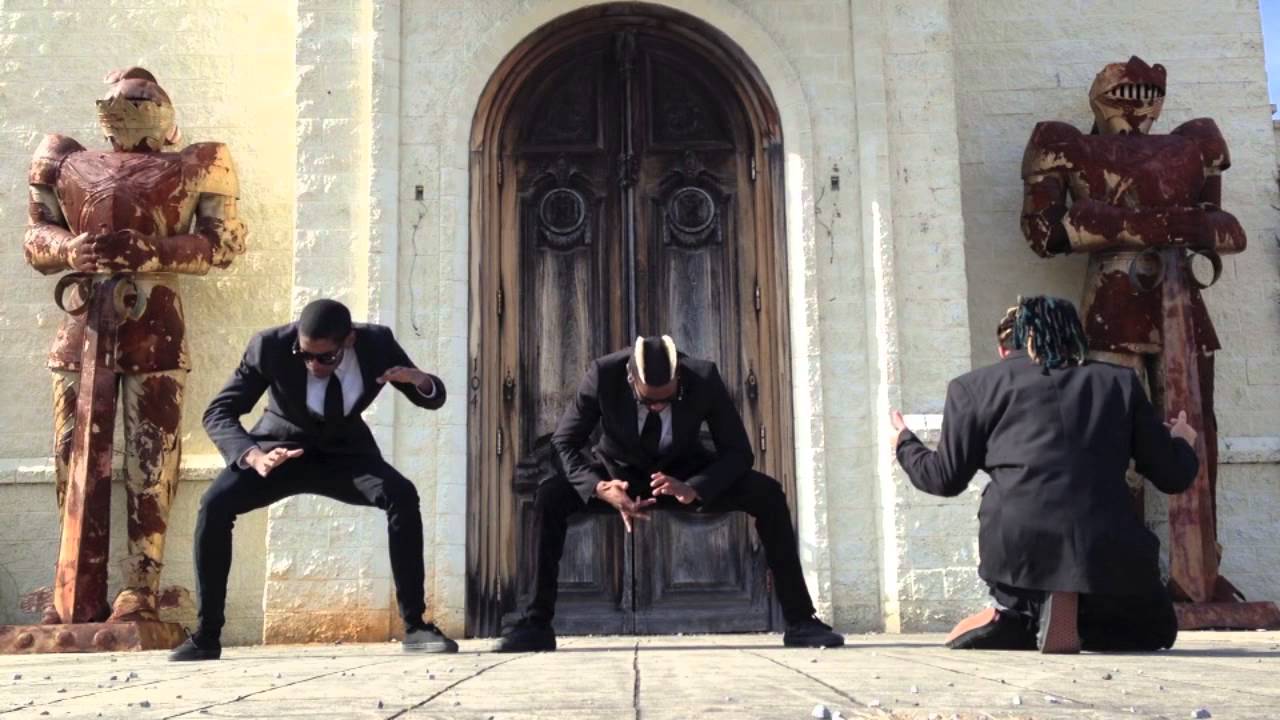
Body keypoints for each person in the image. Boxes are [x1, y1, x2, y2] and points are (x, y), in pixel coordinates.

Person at [23, 67, 246, 623]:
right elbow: (36, 235)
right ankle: (73, 584)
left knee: (151, 455)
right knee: (71, 451)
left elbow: (223, 244)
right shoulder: (64, 158)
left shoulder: (198, 161)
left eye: (143, 95)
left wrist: (157, 252)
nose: (130, 100)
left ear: (166, 114)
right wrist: (70, 249)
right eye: (121, 95)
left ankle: (141, 585)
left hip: (154, 321)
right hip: (82, 320)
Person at [495, 335, 844, 652]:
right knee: (549, 496)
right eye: (648, 401)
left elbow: (739, 452)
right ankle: (535, 625)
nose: (658, 408)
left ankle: (801, 621)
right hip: (618, 477)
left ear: (680, 378)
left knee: (768, 493)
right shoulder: (603, 374)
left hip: (684, 476)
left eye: (668, 400)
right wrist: (600, 488)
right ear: (630, 379)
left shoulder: (704, 376)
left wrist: (696, 488)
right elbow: (564, 443)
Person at [890, 296, 1199, 653]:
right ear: (1074, 337)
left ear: (1005, 349)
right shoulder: (1119, 383)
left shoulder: (972, 387)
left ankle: (1020, 619)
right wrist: (1182, 441)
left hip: (1018, 550)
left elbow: (943, 479)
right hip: (1105, 548)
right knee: (1155, 631)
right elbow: (1172, 476)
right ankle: (1059, 616)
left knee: (1033, 596)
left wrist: (905, 443)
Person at [169, 299, 456, 660]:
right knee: (214, 505)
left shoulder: (377, 344)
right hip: (280, 453)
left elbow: (431, 397)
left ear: (348, 340)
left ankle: (415, 627)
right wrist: (254, 456)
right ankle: (206, 635)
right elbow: (219, 412)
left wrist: (420, 380)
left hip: (346, 456)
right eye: (305, 355)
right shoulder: (269, 346)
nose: (313, 365)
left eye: (325, 358)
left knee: (402, 494)